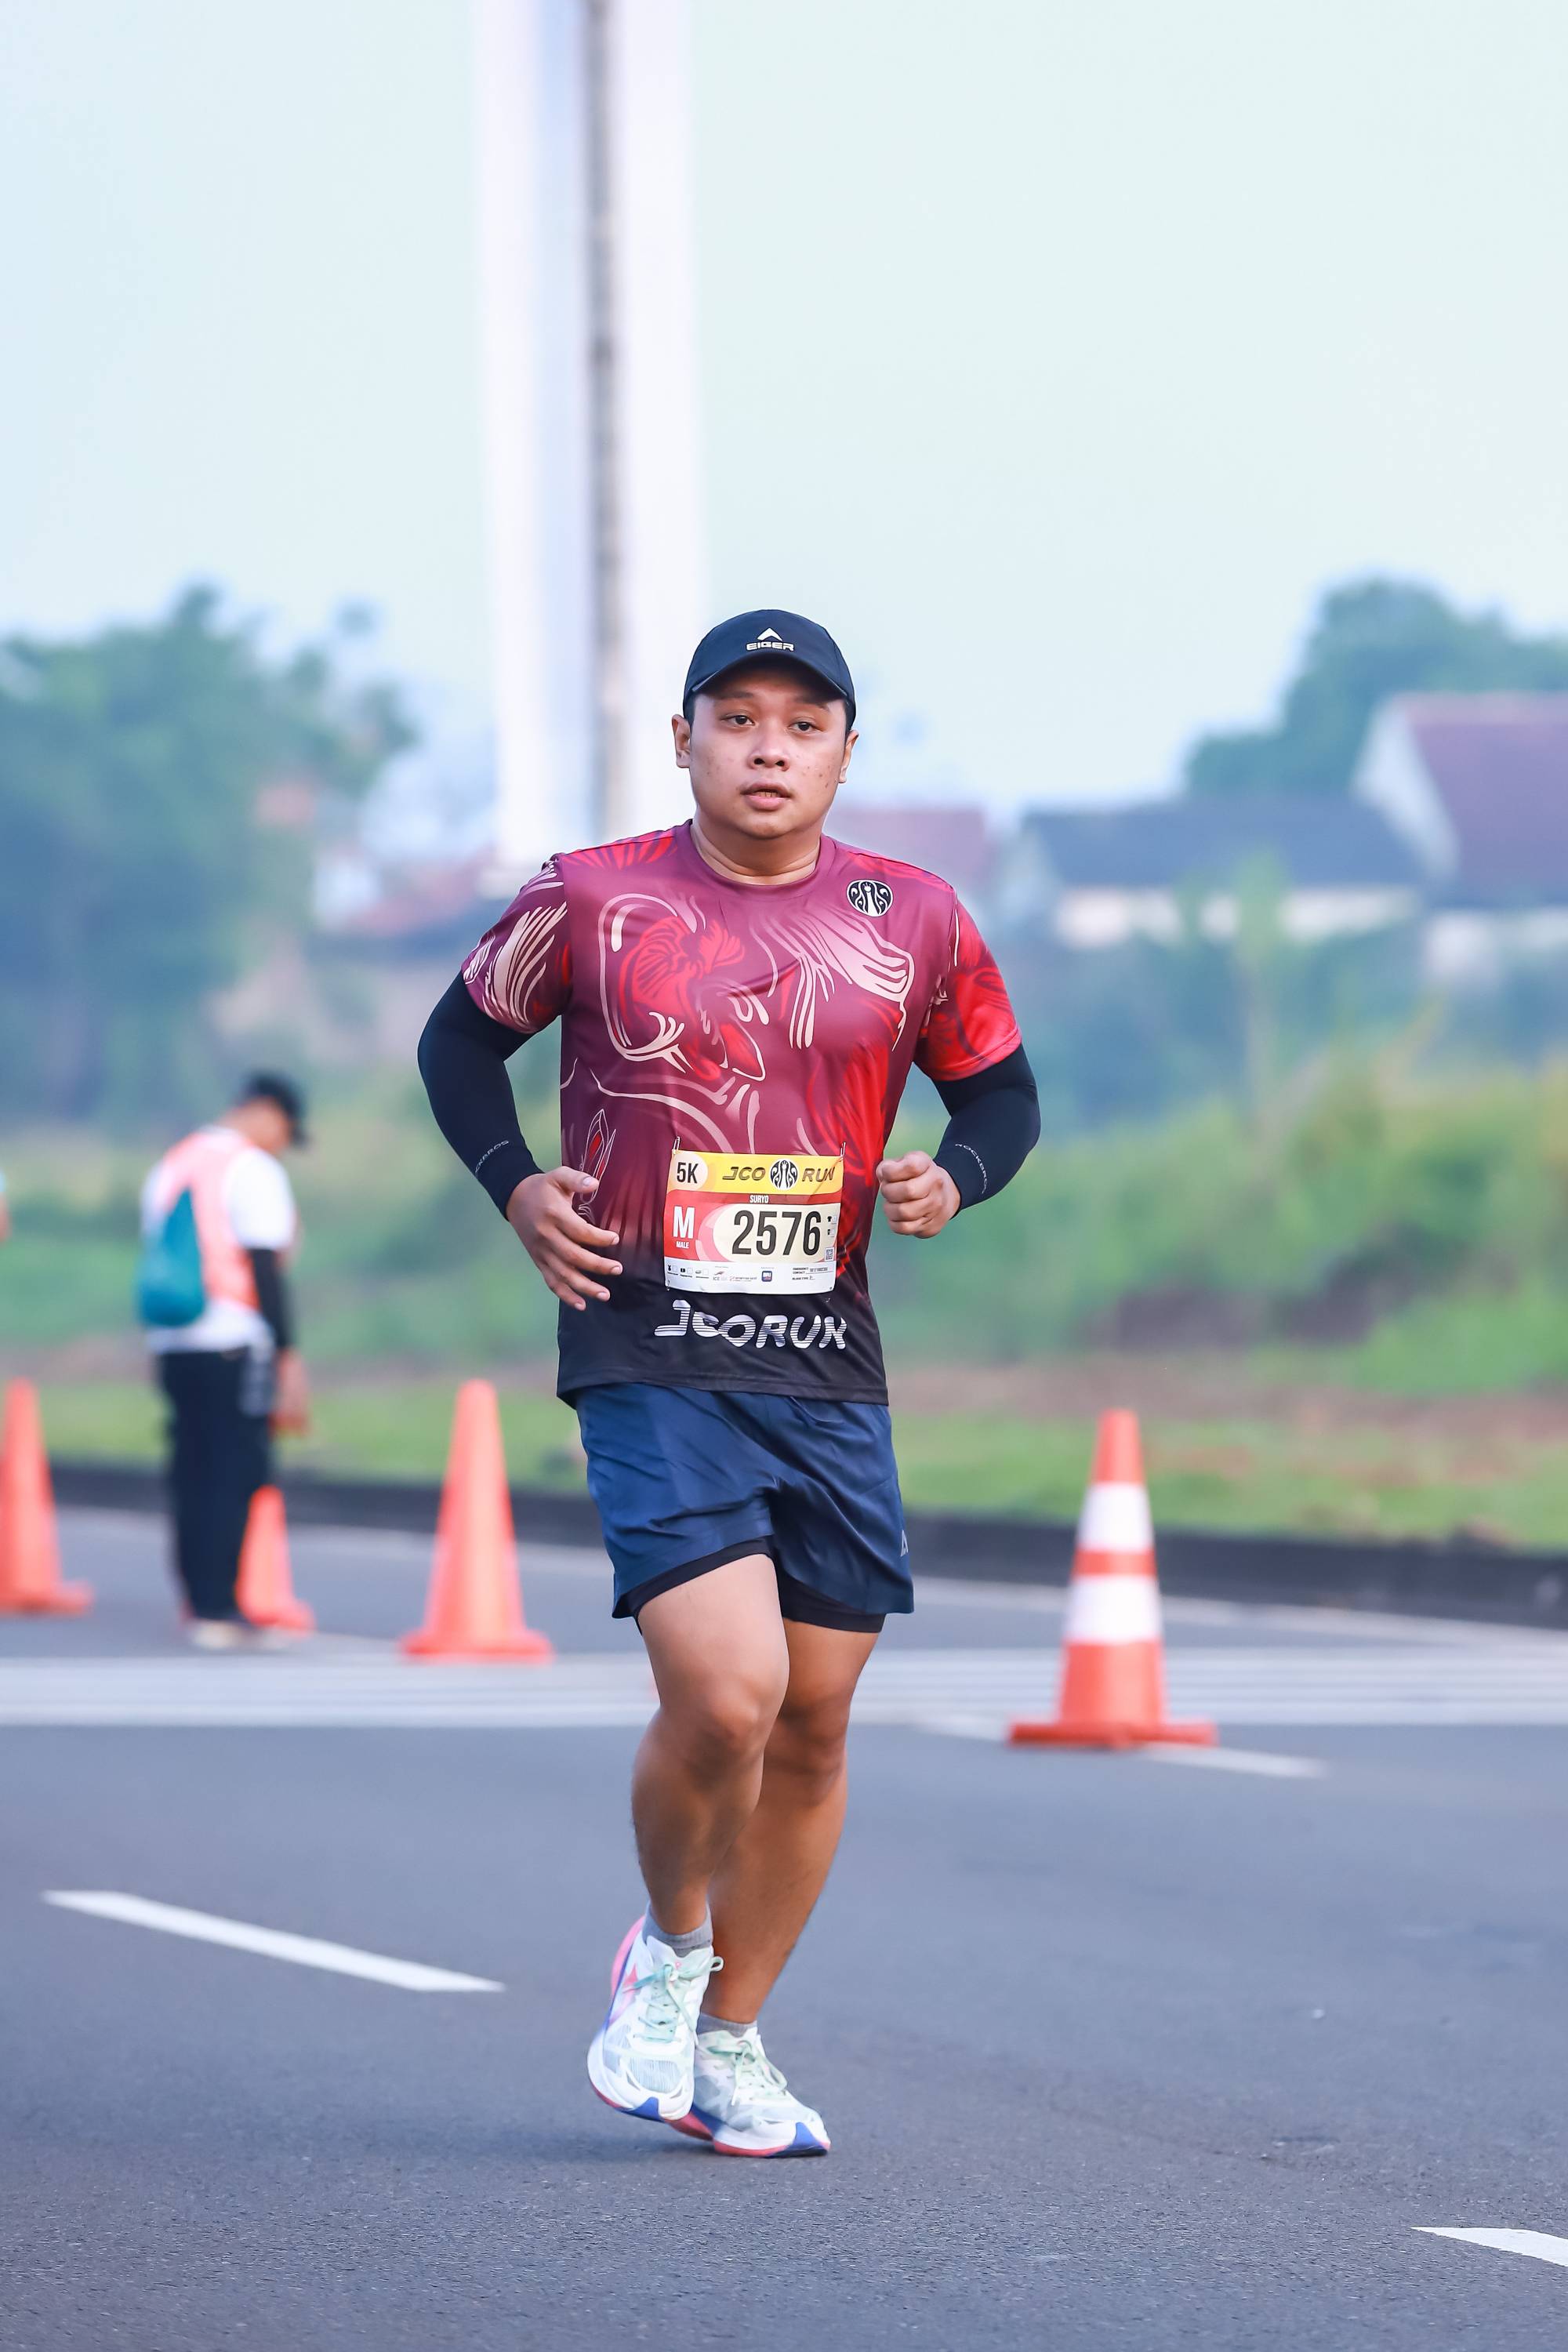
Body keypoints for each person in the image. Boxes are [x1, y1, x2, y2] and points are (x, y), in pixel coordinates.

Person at [419, 610, 1039, 2155]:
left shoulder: (915, 916)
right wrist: (515, 1185)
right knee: (727, 1694)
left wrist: (954, 1178)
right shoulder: (591, 896)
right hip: (646, 1337)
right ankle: (668, 1954)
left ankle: (730, 2039)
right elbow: (457, 1046)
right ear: (685, 738)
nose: (770, 750)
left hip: (825, 1357)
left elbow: (1003, 1096)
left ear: (845, 750)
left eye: (803, 725)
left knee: (814, 1724)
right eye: (739, 719)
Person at [140, 1073, 311, 1648]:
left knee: (191, 1468)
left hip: (174, 1343)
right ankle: (220, 1606)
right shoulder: (253, 1169)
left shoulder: (173, 1162)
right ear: (267, 1112)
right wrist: (287, 1355)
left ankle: (198, 1599)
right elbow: (266, 1270)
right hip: (232, 1340)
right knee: (235, 1471)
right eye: (286, 1131)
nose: (281, 1144)